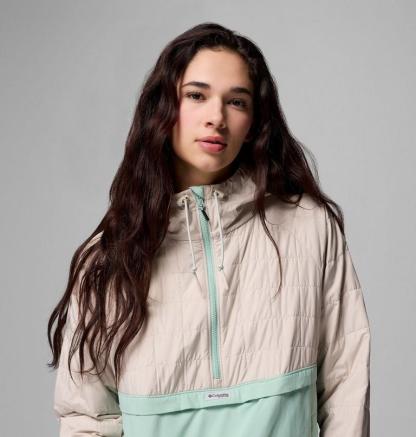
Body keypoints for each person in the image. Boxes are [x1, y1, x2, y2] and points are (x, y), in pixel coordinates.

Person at [47, 22, 371, 437]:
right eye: (196, 95)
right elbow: (87, 417)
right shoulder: (109, 257)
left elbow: (346, 383)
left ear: (254, 122)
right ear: (164, 108)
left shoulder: (309, 226)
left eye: (236, 102)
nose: (216, 117)